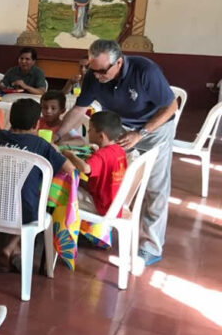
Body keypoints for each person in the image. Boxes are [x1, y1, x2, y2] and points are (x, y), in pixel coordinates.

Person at [53, 40, 178, 266]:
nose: (97, 75)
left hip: (154, 128)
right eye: (93, 69)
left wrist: (141, 133)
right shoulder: (93, 75)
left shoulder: (145, 71)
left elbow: (171, 107)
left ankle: (151, 245)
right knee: (110, 175)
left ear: (118, 62)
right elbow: (79, 108)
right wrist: (58, 135)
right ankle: (102, 228)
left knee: (155, 185)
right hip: (120, 127)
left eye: (102, 71)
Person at [0, 99, 75, 270]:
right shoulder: (41, 144)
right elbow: (70, 170)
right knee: (31, 200)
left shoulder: (1, 136)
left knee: (22, 198)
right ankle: (12, 248)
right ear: (36, 124)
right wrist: (57, 151)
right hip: (24, 209)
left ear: (11, 120)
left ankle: (14, 250)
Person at [62, 111, 127, 216]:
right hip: (114, 203)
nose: (88, 131)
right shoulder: (120, 151)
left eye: (90, 129)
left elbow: (85, 168)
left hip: (101, 206)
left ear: (101, 136)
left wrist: (70, 155)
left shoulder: (101, 155)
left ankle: (66, 229)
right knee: (78, 181)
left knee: (62, 192)